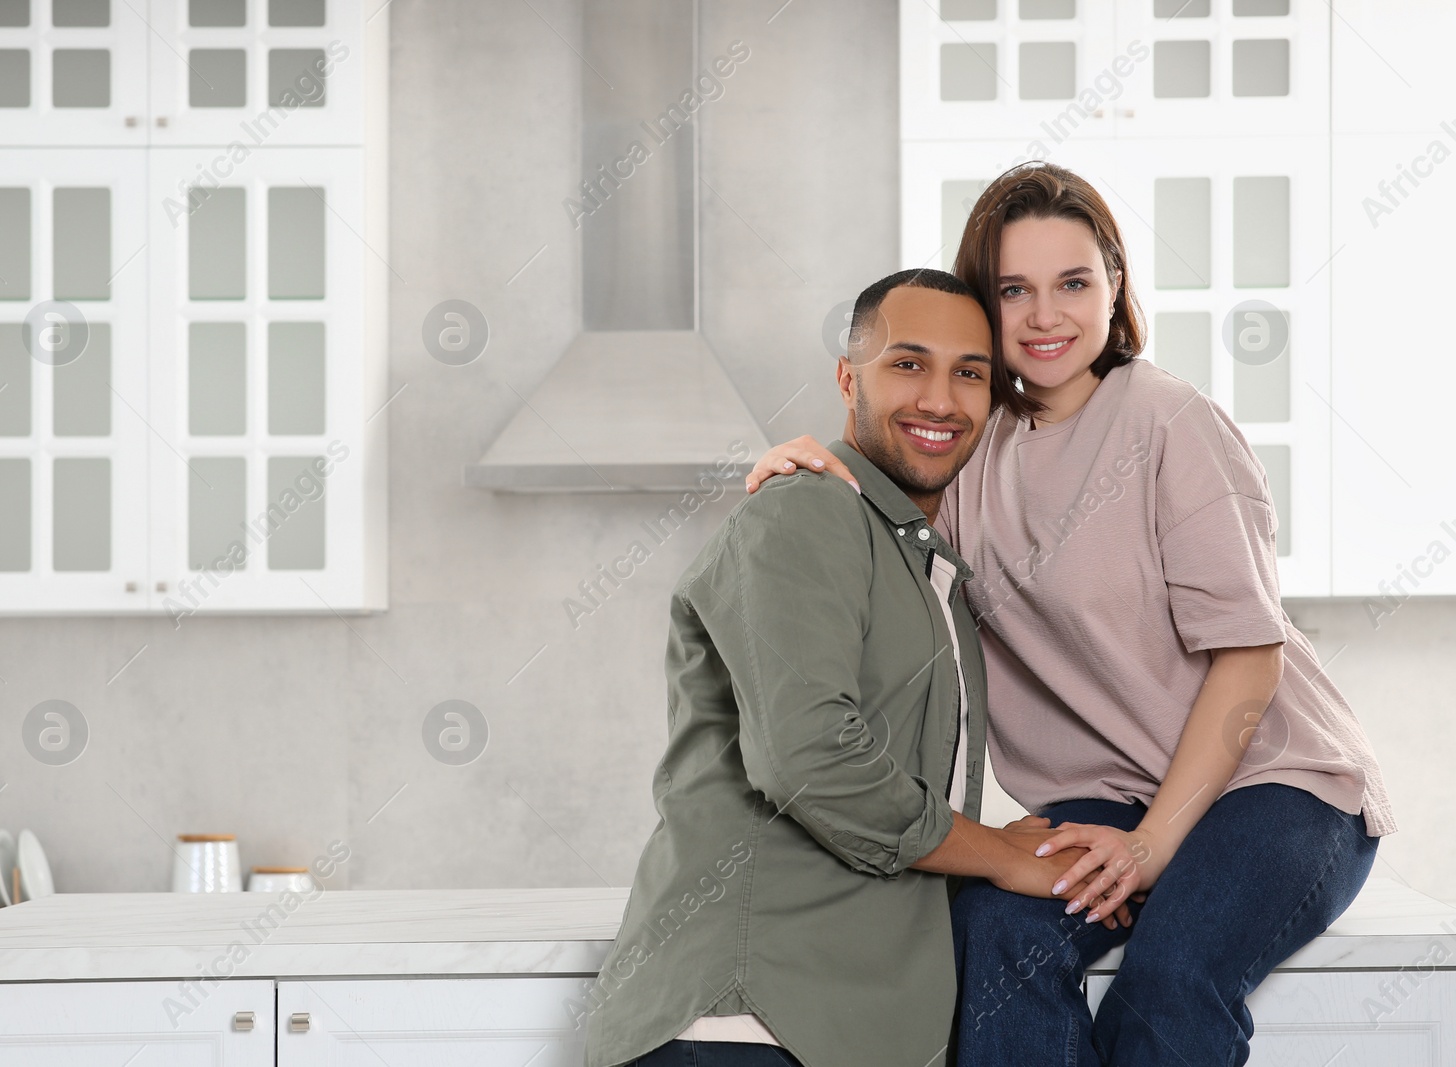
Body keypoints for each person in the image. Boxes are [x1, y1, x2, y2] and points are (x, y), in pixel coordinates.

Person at [745, 162, 1394, 1066]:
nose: (1046, 315)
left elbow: (1251, 660)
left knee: (1170, 980)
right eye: (1015, 289)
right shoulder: (975, 446)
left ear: (1115, 287)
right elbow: (890, 501)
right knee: (996, 934)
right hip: (1106, 794)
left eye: (1074, 283)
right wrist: (817, 458)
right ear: (983, 302)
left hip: (1274, 785)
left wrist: (1152, 847)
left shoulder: (1172, 422)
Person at [584, 268, 1131, 1067]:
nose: (940, 399)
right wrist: (999, 854)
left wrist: (1016, 845)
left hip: (835, 1031)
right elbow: (810, 757)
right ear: (848, 378)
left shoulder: (923, 563)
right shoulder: (806, 509)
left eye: (969, 373)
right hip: (742, 1023)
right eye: (908, 363)